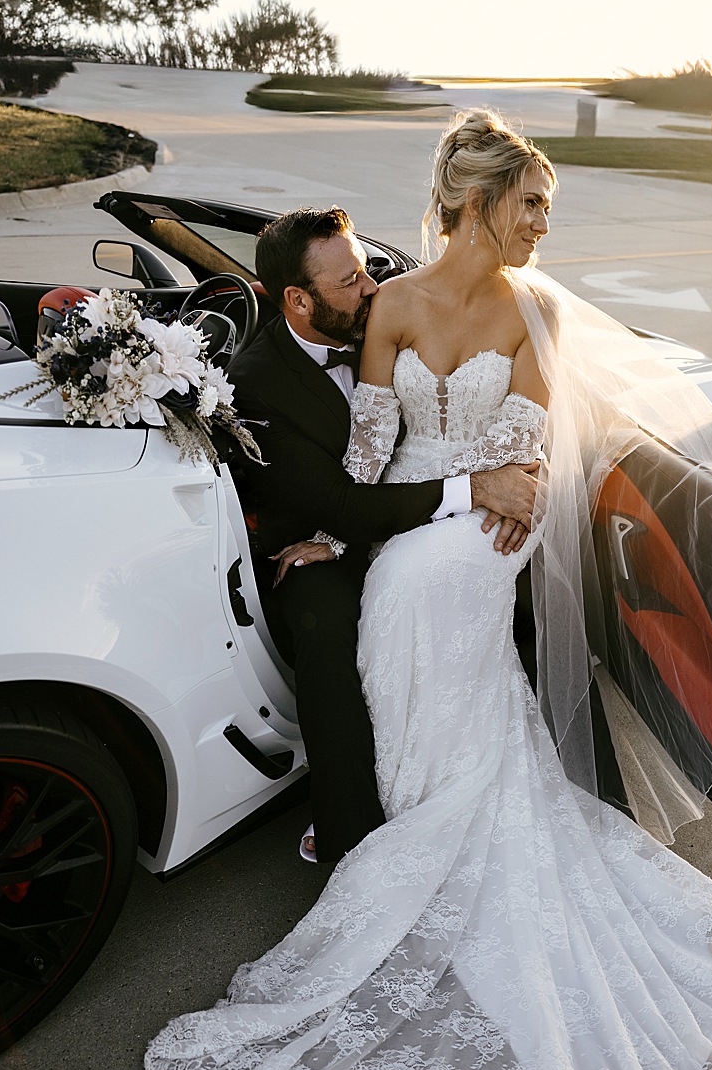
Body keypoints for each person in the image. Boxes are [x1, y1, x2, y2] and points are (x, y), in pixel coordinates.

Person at [148, 112, 712, 1070]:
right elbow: (372, 452)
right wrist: (346, 529)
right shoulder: (390, 304)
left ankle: (418, 836)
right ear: (478, 203)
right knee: (392, 615)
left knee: (426, 597)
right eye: (530, 202)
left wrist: (477, 496)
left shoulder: (535, 312)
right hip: (424, 518)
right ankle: (412, 818)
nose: (543, 223)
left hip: (487, 534)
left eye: (544, 204)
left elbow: (529, 458)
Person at [224, 207, 538, 863]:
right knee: (322, 619)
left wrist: (509, 480)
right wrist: (476, 489)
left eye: (366, 269)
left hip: (419, 504)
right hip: (320, 534)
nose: (371, 287)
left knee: (475, 578)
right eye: (350, 282)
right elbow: (342, 503)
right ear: (297, 300)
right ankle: (350, 831)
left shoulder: (390, 306)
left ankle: (471, 768)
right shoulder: (257, 383)